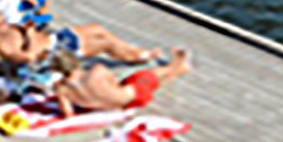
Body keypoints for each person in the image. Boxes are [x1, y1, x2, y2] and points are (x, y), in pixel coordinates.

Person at [0, 5, 158, 69]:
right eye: (0, 23)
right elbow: (29, 58)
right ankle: (137, 57)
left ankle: (134, 51)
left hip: (55, 38)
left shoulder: (8, 29)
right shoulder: (3, 46)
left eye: (3, 20)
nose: (5, 24)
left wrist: (32, 25)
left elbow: (29, 29)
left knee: (98, 28)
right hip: (56, 52)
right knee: (105, 44)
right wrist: (30, 34)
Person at [52, 48, 190, 115]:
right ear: (76, 62)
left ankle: (174, 71)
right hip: (132, 99)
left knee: (150, 81)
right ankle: (178, 66)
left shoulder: (61, 89)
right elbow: (115, 84)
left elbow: (68, 114)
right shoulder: (97, 71)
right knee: (145, 75)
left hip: (108, 108)